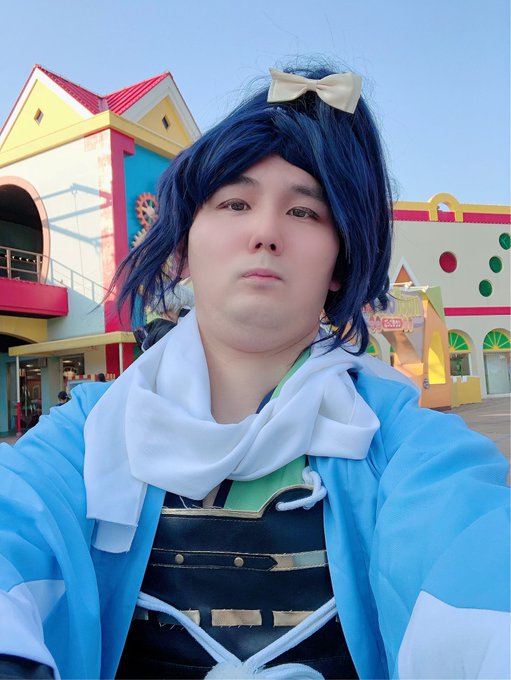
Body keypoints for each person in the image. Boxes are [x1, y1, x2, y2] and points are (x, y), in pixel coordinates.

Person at [0, 63, 508, 680]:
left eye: (305, 213)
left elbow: (475, 555)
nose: (266, 232)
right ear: (183, 247)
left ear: (340, 263)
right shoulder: (85, 437)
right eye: (235, 203)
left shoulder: (399, 443)